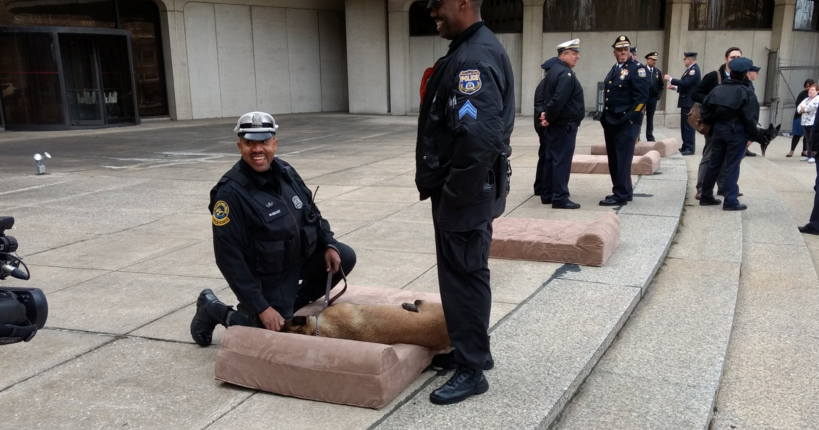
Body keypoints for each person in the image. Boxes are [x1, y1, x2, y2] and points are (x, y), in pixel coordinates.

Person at [417, 0, 514, 405]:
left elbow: (479, 140)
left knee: (466, 277)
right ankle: (468, 351)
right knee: (460, 276)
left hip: (466, 193)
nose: (431, 12)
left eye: (436, 5)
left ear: (462, 2)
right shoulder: (470, 49)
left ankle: (472, 370)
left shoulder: (473, 58)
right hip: (467, 191)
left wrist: (455, 196)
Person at [190, 112, 357, 346]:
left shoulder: (286, 172)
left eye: (264, 142)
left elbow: (312, 212)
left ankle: (288, 304)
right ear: (240, 146)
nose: (258, 149)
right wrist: (262, 308)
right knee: (273, 328)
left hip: (297, 258)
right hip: (267, 273)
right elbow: (229, 260)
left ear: (274, 144)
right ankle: (213, 309)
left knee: (345, 256)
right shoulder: (229, 195)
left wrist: (327, 242)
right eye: (250, 143)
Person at [699, 58, 764, 211]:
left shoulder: (717, 89)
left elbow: (705, 110)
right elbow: (751, 118)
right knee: (732, 165)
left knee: (714, 163)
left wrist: (714, 123)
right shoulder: (746, 92)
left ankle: (706, 195)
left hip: (718, 129)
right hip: (736, 131)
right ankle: (730, 200)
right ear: (743, 75)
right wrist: (753, 136)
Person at [599, 35, 649, 206]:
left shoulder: (637, 69)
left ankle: (619, 194)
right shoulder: (615, 68)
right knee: (615, 158)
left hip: (625, 122)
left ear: (629, 51)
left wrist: (630, 119)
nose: (623, 52)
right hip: (611, 121)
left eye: (625, 49)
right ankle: (625, 190)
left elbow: (641, 100)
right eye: (619, 50)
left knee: (622, 159)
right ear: (614, 52)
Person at [534, 39, 584, 209]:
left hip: (558, 124)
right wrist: (549, 116)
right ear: (563, 55)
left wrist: (548, 116)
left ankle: (548, 194)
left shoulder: (555, 71)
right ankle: (560, 197)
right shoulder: (565, 74)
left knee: (552, 159)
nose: (577, 57)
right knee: (562, 161)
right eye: (574, 54)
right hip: (564, 125)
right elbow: (558, 100)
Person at [692, 47, 743, 199]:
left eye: (738, 57)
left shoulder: (743, 78)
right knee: (710, 156)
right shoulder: (714, 76)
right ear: (726, 59)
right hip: (714, 124)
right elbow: (696, 93)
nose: (735, 60)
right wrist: (712, 101)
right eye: (732, 57)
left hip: (733, 126)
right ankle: (701, 188)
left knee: (728, 158)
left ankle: (723, 187)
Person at [665, 52, 701, 155]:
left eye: (684, 59)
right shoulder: (690, 70)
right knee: (684, 125)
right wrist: (676, 88)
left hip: (689, 102)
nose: (684, 61)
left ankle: (689, 148)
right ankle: (686, 146)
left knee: (688, 126)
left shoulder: (694, 70)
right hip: (686, 101)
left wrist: (671, 79)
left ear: (689, 59)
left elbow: (686, 83)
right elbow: (686, 86)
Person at [533, 55, 559, 196]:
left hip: (542, 124)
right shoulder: (546, 85)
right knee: (547, 156)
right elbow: (541, 106)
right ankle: (544, 187)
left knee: (544, 155)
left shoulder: (544, 83)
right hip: (544, 125)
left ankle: (540, 186)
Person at [789, 79, 814, 158]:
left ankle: (804, 151)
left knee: (807, 136)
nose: (808, 88)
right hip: (799, 117)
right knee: (797, 134)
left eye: (810, 86)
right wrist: (805, 110)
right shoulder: (802, 95)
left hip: (810, 118)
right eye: (807, 86)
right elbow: (799, 106)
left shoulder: (816, 96)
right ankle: (791, 151)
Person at [643, 52, 664, 142]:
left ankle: (650, 136)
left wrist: (658, 96)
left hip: (652, 99)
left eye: (655, 60)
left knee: (650, 118)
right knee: (639, 117)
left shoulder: (657, 72)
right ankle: (636, 137)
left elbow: (661, 85)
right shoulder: (642, 70)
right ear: (647, 59)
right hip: (643, 98)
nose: (654, 61)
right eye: (652, 59)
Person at [797, 84, 819, 163]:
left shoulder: (817, 99)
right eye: (810, 90)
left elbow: (811, 107)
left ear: (817, 91)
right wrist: (802, 109)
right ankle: (809, 155)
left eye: (813, 90)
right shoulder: (806, 99)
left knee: (813, 140)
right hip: (805, 122)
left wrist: (804, 109)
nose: (810, 91)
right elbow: (799, 108)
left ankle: (813, 156)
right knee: (807, 140)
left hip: (813, 123)